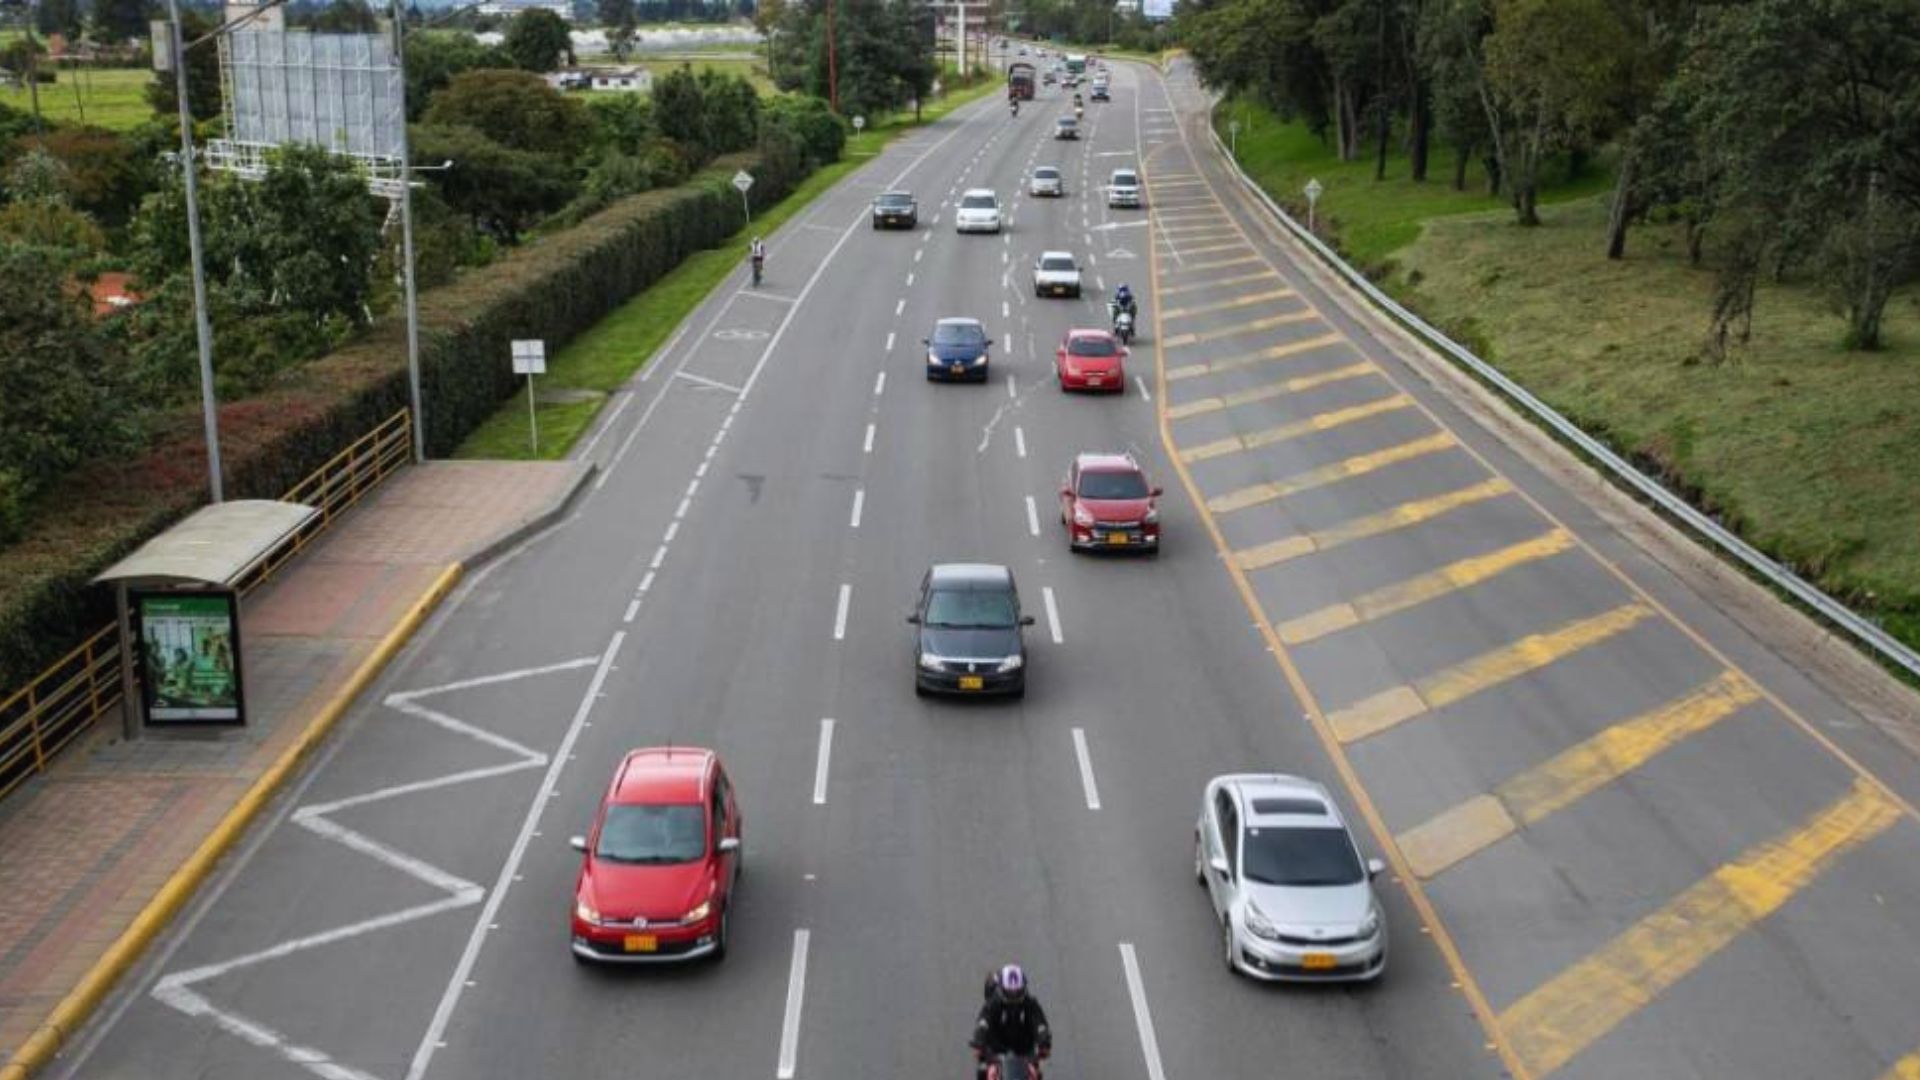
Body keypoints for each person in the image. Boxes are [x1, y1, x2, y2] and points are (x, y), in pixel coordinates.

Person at [971, 964, 1052, 1079]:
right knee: (987, 1073)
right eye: (1010, 993)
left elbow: (1040, 1024)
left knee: (1034, 1074)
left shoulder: (1031, 1004)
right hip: (997, 1051)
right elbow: (983, 1023)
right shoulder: (993, 1004)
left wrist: (1044, 1042)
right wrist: (978, 1043)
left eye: (1017, 992)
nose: (1013, 997)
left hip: (1024, 1052)